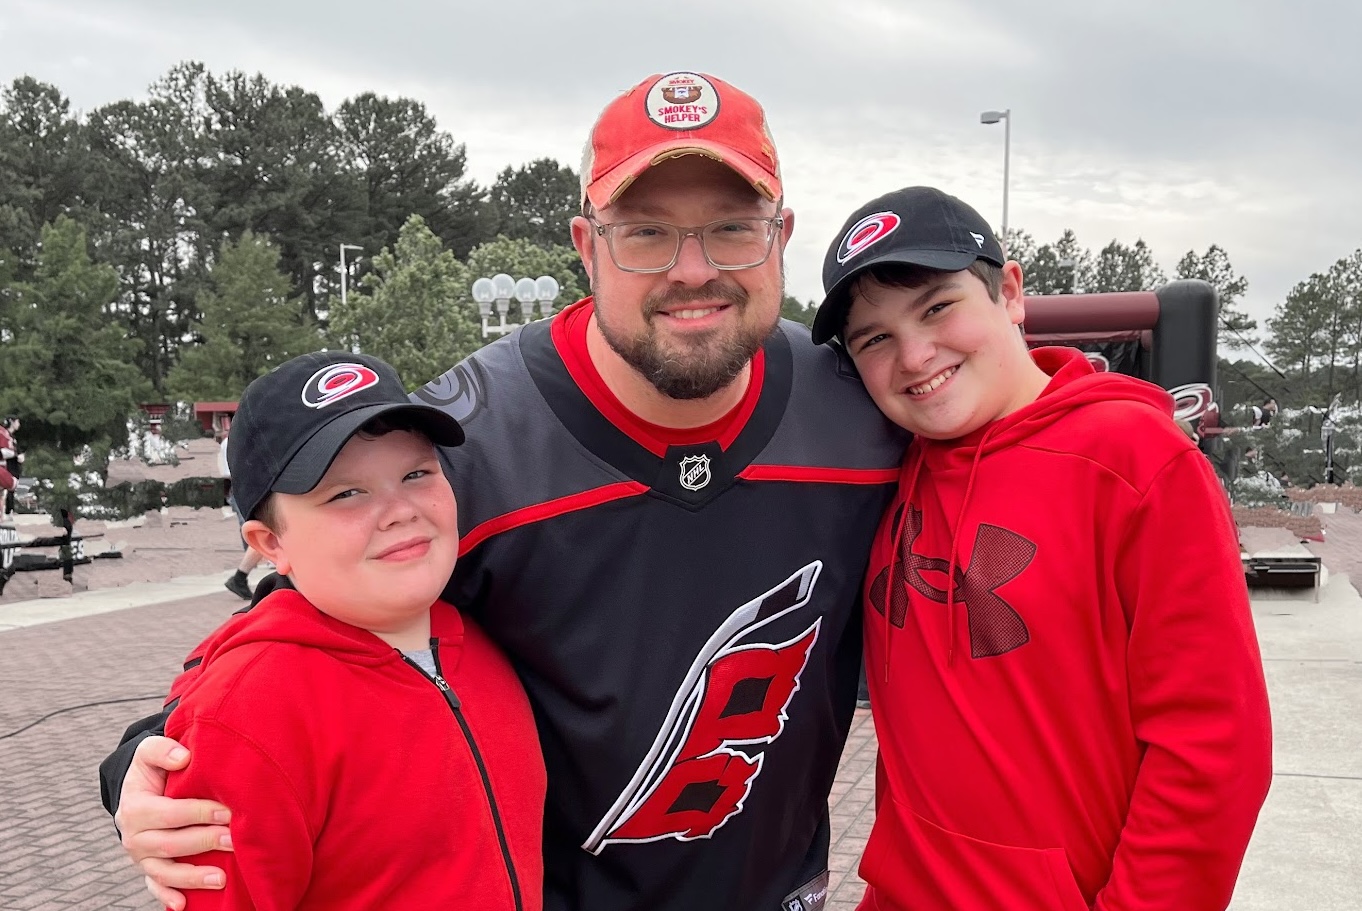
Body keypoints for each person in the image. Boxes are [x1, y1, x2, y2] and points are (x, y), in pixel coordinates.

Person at [99, 71, 907, 911]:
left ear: (782, 236)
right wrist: (151, 754)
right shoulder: (470, 441)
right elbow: (300, 606)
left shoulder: (859, 408)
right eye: (644, 233)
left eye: (733, 229)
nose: (692, 271)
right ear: (585, 246)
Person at [811, 186, 1274, 910]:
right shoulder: (891, 465)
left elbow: (1213, 747)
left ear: (1012, 292)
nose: (915, 354)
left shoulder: (1134, 460)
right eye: (875, 338)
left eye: (937, 307)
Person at [156, 350, 544, 909]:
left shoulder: (488, 637)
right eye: (346, 493)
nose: (399, 510)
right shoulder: (247, 716)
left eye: (416, 473)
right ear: (271, 544)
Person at [216, 431, 264, 600]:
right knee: (262, 531)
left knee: (260, 530)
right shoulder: (238, 441)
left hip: (240, 488)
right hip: (244, 488)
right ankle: (240, 577)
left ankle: (241, 577)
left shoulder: (234, 441)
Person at [1, 416, 24, 517]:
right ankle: (8, 510)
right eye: (18, 422)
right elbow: (7, 452)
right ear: (12, 422)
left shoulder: (11, 437)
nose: (19, 424)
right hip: (6, 466)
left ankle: (8, 510)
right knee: (11, 486)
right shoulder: (4, 433)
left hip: (10, 466)